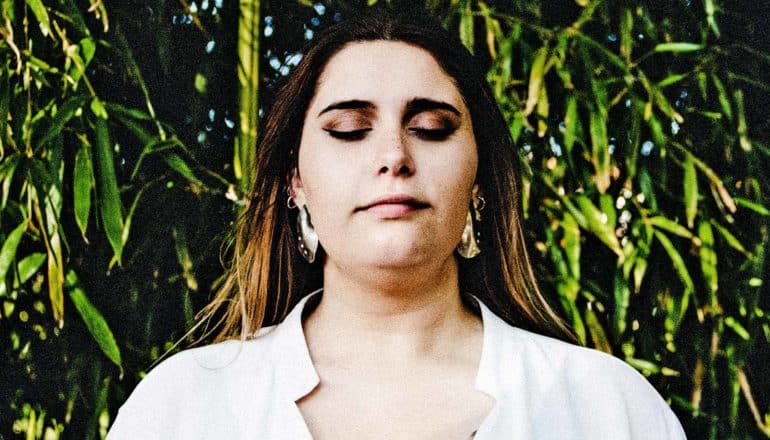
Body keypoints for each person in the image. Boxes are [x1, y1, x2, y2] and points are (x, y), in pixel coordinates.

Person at [108, 7, 686, 439]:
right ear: (296, 182)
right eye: (349, 130)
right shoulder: (182, 408)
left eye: (432, 128)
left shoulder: (608, 409)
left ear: (480, 179)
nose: (394, 155)